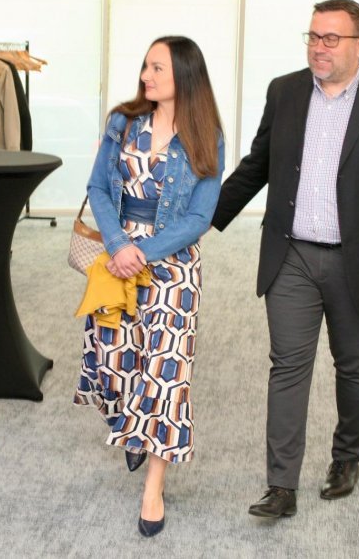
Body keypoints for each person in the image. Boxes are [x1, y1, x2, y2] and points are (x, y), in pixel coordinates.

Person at [211, 0, 359, 519]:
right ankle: (281, 485)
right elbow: (257, 165)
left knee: (353, 364)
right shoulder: (285, 92)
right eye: (312, 36)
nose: (318, 47)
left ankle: (346, 459)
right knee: (288, 365)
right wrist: (202, 218)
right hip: (292, 255)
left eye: (331, 38)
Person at [74, 35, 224, 538]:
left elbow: (200, 216)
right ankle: (133, 425)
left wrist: (145, 251)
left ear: (185, 74)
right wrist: (119, 245)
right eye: (145, 66)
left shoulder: (207, 135)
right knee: (116, 363)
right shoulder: (123, 122)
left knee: (165, 375)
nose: (146, 76)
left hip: (173, 266)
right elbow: (98, 187)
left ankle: (153, 489)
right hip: (118, 258)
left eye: (157, 68)